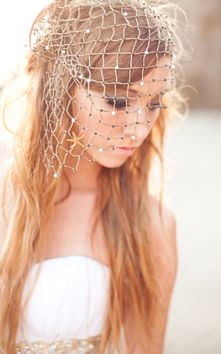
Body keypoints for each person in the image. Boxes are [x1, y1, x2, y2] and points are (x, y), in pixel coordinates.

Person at [0, 0, 189, 353]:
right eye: (118, 102)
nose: (138, 129)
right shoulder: (5, 199)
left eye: (153, 104)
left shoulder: (151, 224)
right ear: (60, 89)